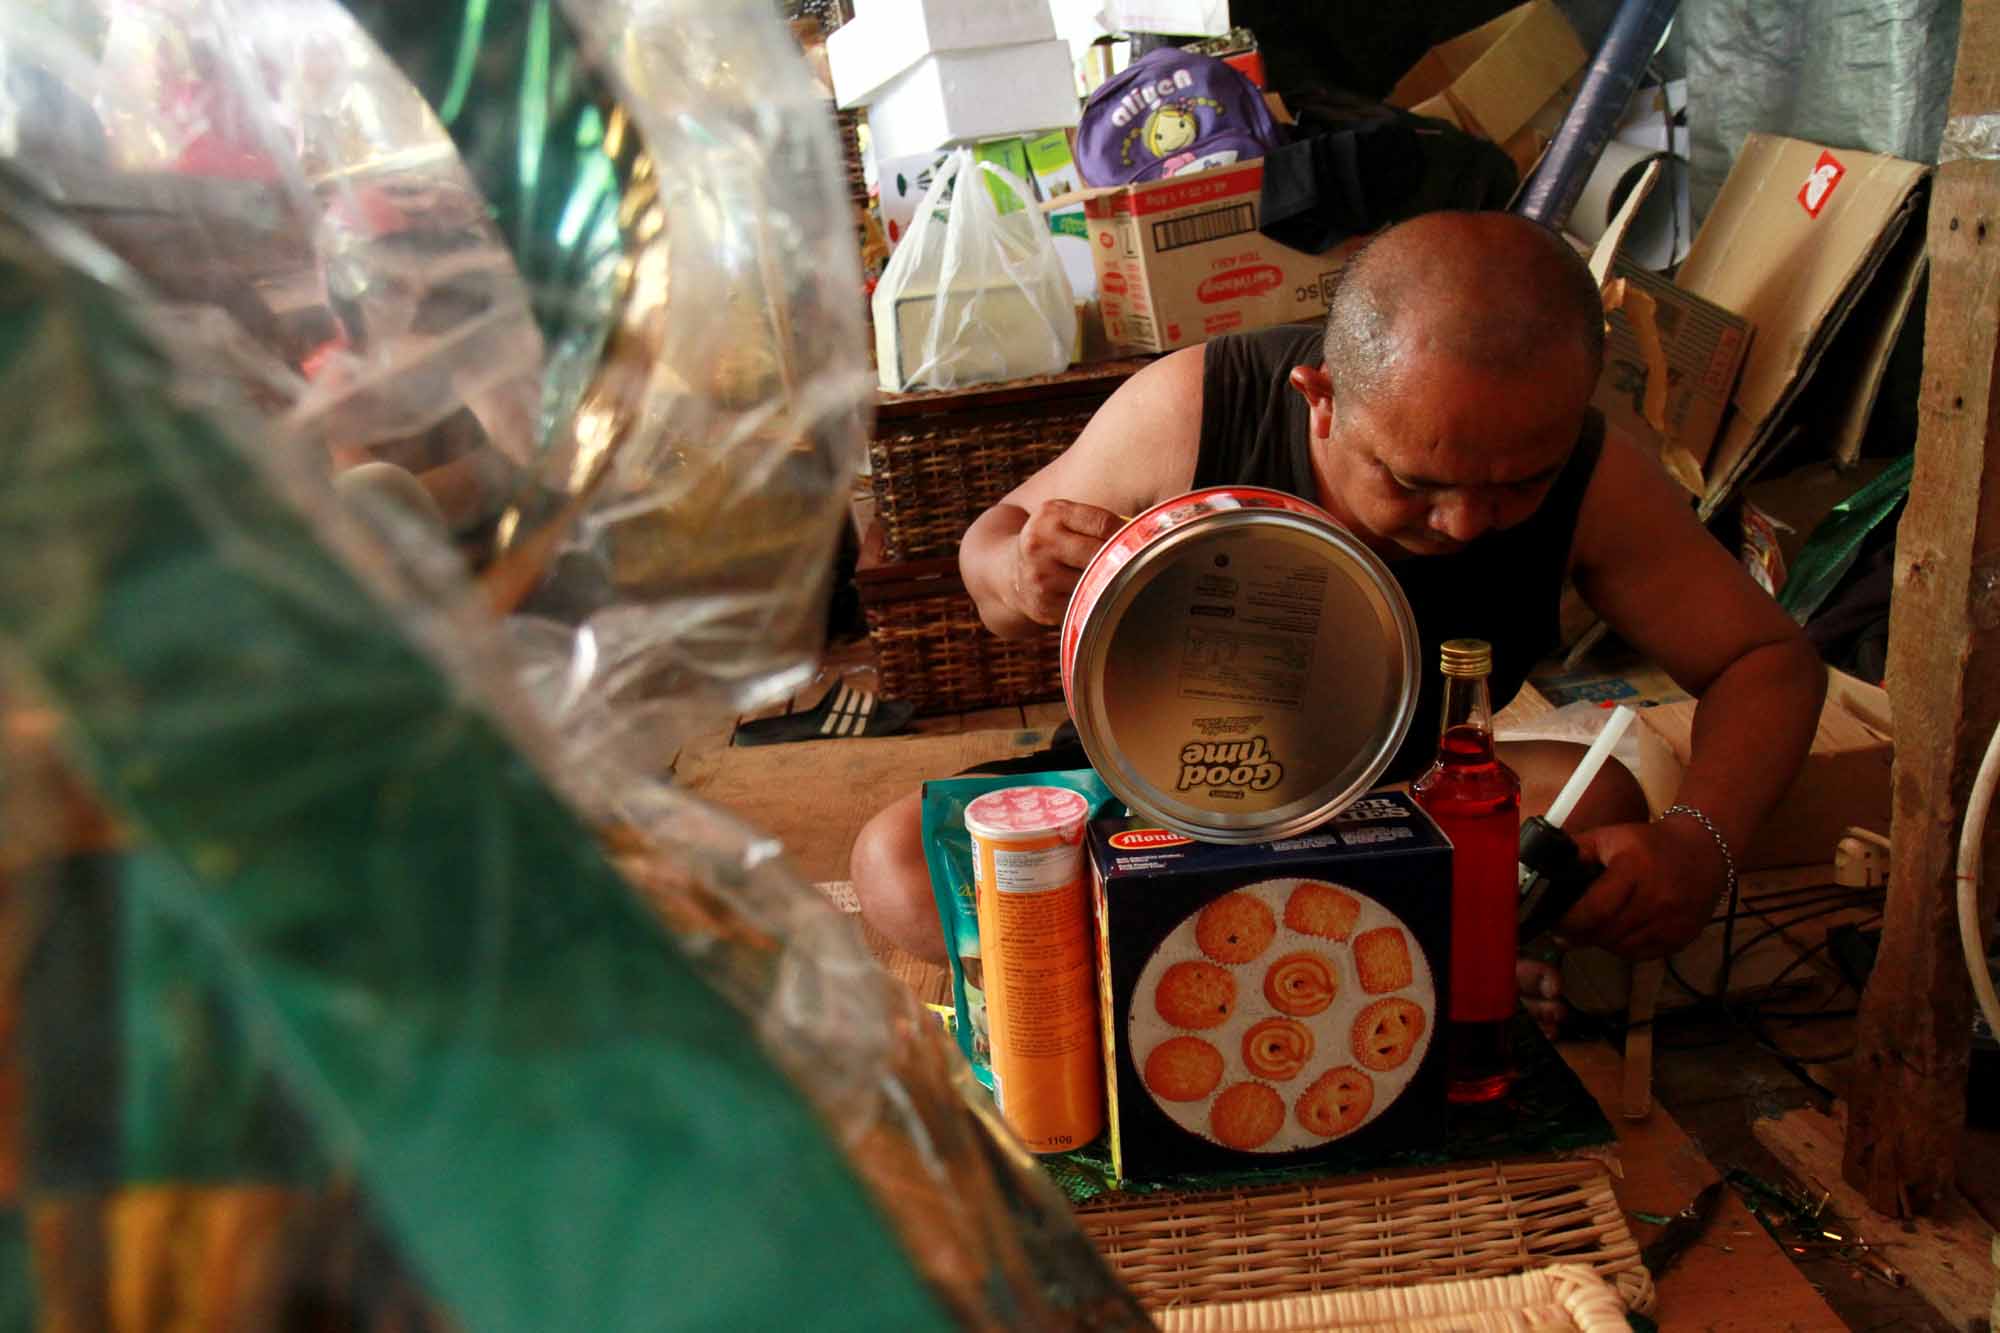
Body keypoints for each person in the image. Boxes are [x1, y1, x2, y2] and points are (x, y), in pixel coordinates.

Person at [850, 211, 1825, 1023]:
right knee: (896, 865)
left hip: (1397, 807)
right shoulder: (1194, 408)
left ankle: (1208, 978)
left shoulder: (1590, 473)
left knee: (1595, 799)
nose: (1462, 522)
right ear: (1317, 400)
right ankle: (1387, 972)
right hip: (1155, 806)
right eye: (1413, 481)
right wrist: (1021, 575)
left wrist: (1702, 843)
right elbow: (990, 553)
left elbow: (1763, 659)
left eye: (1514, 486)